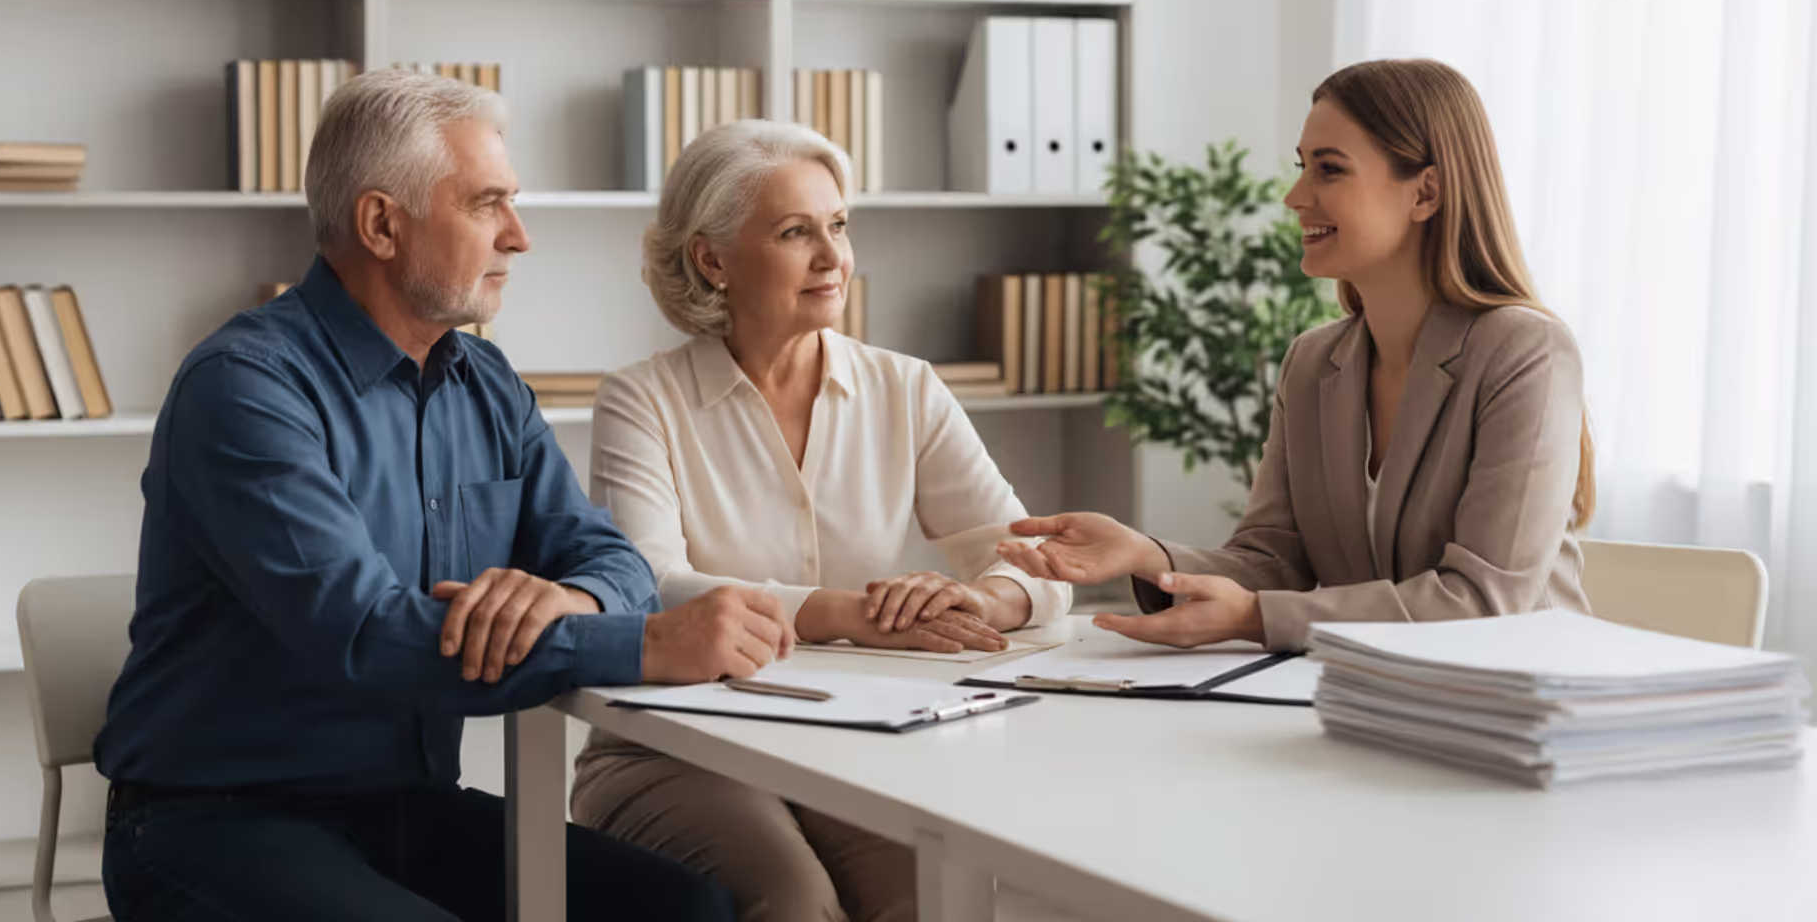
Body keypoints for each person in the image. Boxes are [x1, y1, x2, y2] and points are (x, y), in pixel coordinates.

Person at [94, 70, 785, 922]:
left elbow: (609, 557)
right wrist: (644, 646)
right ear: (382, 223)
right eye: (485, 204)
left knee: (685, 911)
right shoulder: (244, 389)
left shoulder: (485, 381)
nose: (519, 237)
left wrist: (566, 597)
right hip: (212, 824)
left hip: (409, 807)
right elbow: (368, 633)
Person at [572, 119, 1071, 922]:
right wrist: (855, 616)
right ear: (712, 259)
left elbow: (1036, 562)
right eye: (795, 232)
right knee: (795, 903)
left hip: (855, 742)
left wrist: (979, 600)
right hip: (669, 747)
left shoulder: (904, 388)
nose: (834, 257)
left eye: (837, 226)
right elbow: (649, 585)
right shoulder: (641, 399)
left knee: (930, 897)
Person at [999, 58, 1592, 652]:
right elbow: (1274, 559)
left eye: (1330, 170)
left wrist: (1255, 618)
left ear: (1426, 192)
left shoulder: (1525, 352)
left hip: (1521, 703)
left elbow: (1487, 603)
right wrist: (1146, 555)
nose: (1294, 196)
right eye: (1303, 168)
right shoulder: (1314, 362)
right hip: (1366, 700)